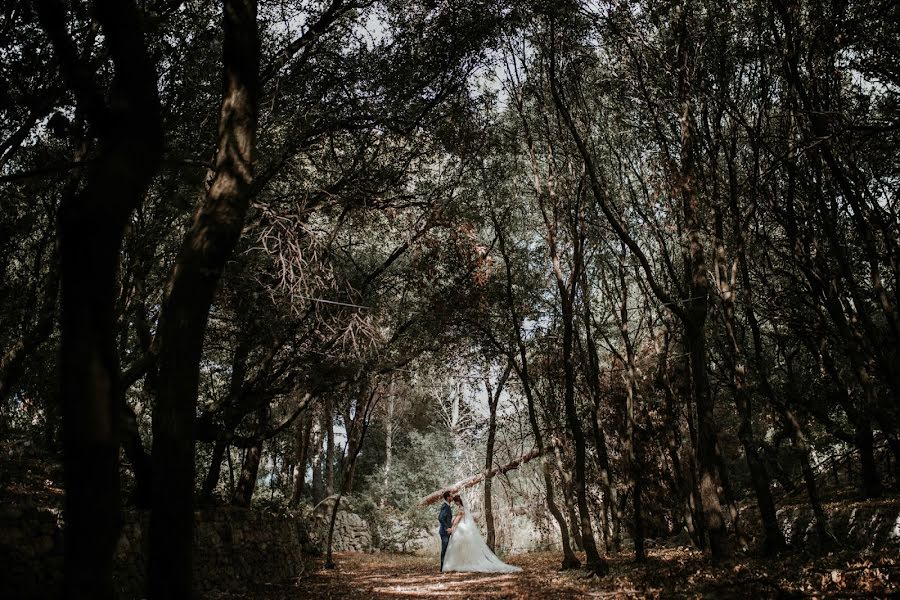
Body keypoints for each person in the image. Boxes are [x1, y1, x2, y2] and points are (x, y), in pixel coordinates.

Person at [442, 494, 522, 573]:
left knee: (459, 546)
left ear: (458, 502)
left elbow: (457, 519)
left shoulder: (461, 509)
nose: (455, 503)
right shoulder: (463, 509)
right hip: (464, 527)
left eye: (455, 502)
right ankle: (464, 562)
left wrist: (452, 527)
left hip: (461, 528)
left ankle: (460, 563)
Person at [438, 490, 453, 571]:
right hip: (444, 532)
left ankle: (445, 567)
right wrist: (447, 528)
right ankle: (442, 568)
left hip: (446, 532)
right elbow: (440, 518)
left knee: (446, 548)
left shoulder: (448, 506)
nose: (452, 497)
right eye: (451, 496)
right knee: (444, 548)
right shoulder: (445, 506)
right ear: (448, 497)